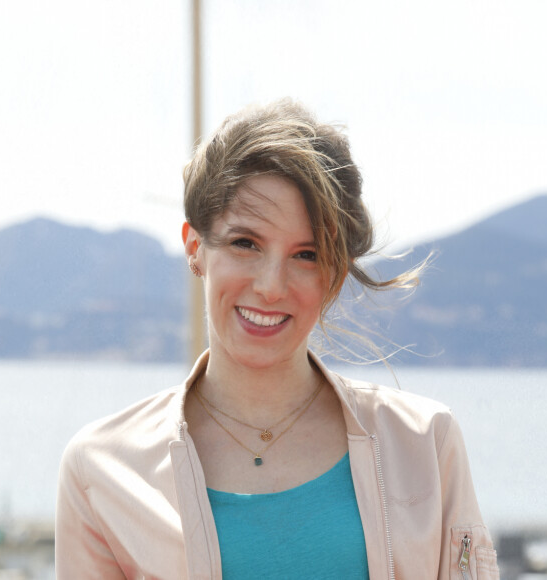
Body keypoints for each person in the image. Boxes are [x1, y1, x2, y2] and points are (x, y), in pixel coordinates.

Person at [55, 99, 499, 579]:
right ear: (194, 247)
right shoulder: (101, 470)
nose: (271, 285)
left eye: (306, 254)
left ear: (334, 274)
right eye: (245, 243)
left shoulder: (424, 443)